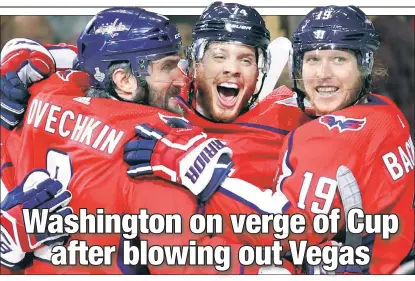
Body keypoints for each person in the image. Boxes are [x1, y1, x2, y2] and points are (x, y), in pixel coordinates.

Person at [126, 5, 414, 274]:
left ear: (261, 69)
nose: (232, 68)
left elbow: (289, 228)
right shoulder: (160, 106)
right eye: (219, 56)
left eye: (245, 59)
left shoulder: (309, 122)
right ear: (196, 63)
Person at [0, 7, 253, 275]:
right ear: (123, 80)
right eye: (167, 66)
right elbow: (190, 267)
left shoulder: (41, 94)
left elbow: (68, 62)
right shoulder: (150, 143)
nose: (182, 78)